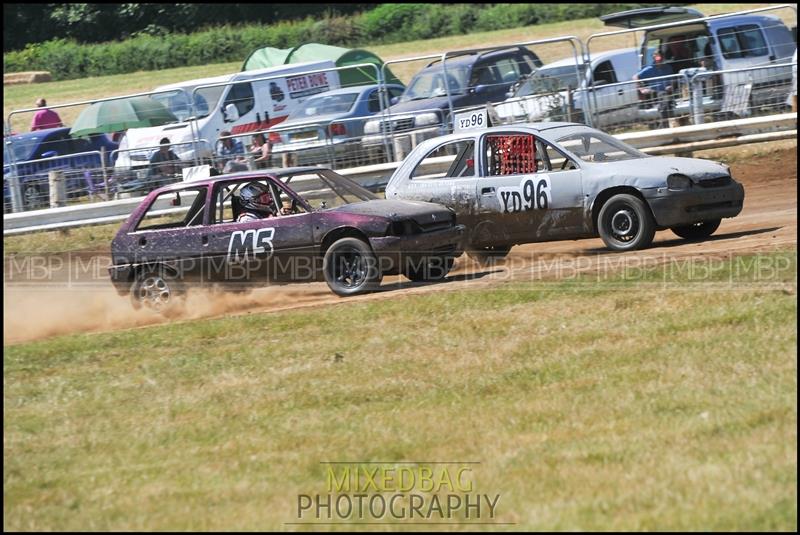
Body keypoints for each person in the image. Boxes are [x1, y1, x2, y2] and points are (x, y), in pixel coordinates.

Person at [633, 51, 675, 127]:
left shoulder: (668, 68)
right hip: (654, 93)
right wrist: (641, 89)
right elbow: (635, 77)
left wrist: (671, 85)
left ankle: (663, 125)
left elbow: (672, 79)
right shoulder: (649, 69)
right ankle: (665, 124)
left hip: (666, 92)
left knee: (665, 101)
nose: (659, 59)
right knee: (665, 101)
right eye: (656, 57)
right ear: (654, 58)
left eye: (660, 57)